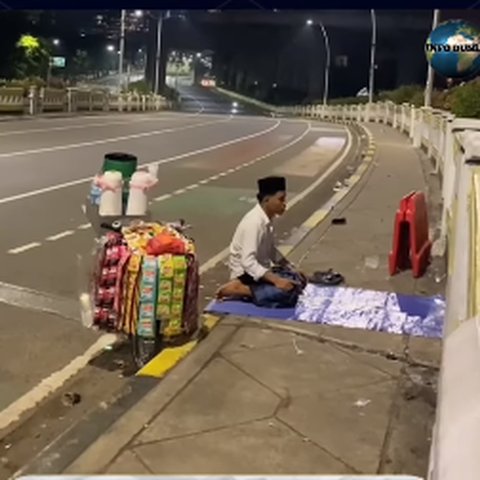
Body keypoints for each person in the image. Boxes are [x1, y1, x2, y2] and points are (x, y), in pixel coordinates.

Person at [216, 175, 304, 301]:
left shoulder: (267, 219)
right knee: (286, 294)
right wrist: (277, 280)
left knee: (296, 282)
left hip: (261, 272)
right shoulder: (254, 223)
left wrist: (291, 268)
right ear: (267, 200)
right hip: (246, 275)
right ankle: (239, 289)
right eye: (281, 200)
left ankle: (261, 288)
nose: (284, 204)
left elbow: (271, 250)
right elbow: (248, 262)